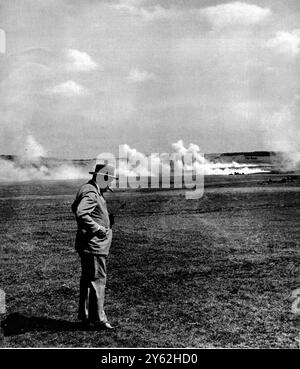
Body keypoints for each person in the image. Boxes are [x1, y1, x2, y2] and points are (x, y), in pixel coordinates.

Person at [71, 163, 117, 330]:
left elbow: (74, 207)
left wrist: (101, 219)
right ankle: (97, 320)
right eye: (110, 180)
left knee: (88, 280)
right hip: (94, 246)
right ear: (103, 178)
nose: (111, 184)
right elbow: (81, 212)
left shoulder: (87, 188)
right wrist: (97, 227)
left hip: (87, 244)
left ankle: (85, 316)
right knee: (97, 280)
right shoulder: (91, 192)